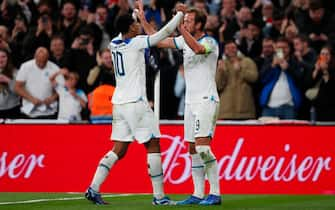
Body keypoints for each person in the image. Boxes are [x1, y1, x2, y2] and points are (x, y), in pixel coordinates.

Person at [84, 7, 184, 205]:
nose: (138, 25)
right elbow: (161, 35)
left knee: (119, 149)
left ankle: (93, 188)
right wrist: (179, 16)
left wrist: (139, 16)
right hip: (136, 103)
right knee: (153, 144)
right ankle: (159, 197)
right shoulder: (137, 43)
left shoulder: (114, 43)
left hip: (119, 104)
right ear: (130, 28)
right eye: (136, 23)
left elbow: (132, 30)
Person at [138, 2, 221, 205]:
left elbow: (199, 48)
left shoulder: (210, 41)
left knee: (203, 148)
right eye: (185, 20)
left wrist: (181, 28)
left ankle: (216, 193)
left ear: (200, 25)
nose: (185, 22)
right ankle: (198, 193)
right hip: (191, 103)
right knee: (192, 150)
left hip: (206, 100)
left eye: (190, 20)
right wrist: (142, 20)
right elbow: (157, 40)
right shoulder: (184, 42)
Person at [14, 47, 60, 119]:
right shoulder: (25, 66)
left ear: (48, 58)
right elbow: (17, 87)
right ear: (34, 57)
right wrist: (31, 99)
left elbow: (62, 88)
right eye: (39, 61)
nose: (41, 64)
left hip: (49, 111)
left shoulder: (55, 68)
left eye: (44, 62)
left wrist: (52, 98)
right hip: (29, 110)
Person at [0, 48, 21, 119]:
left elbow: (20, 92)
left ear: (8, 58)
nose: (1, 59)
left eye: (3, 56)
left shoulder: (16, 72)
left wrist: (8, 81)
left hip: (12, 110)